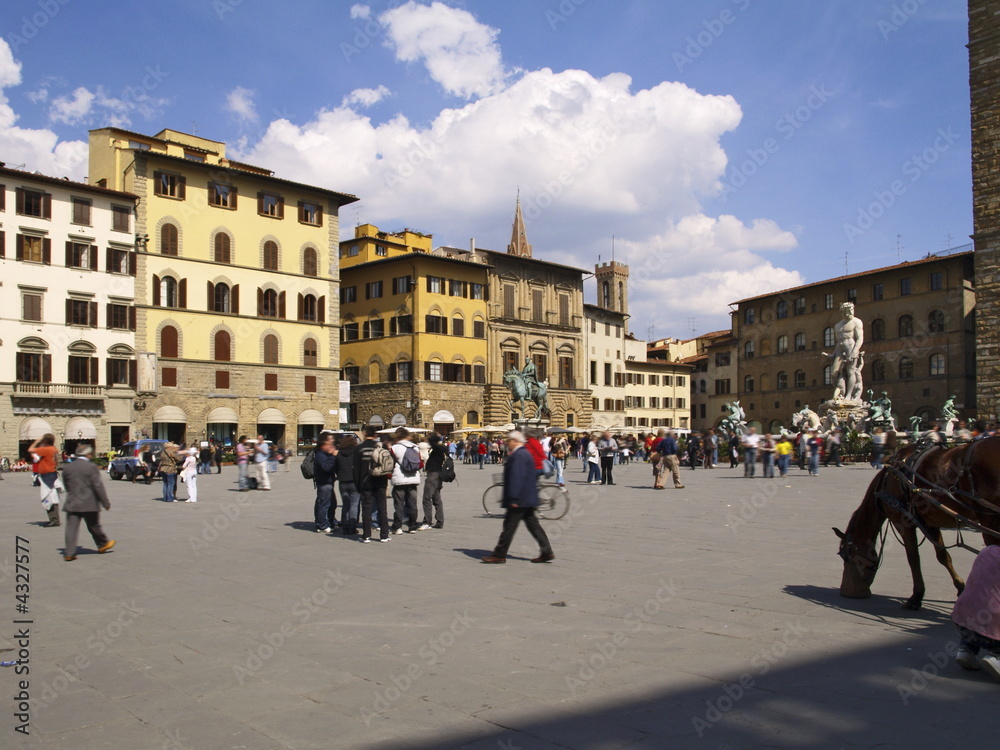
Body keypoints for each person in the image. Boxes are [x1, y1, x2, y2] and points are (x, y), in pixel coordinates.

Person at [481, 431, 555, 564]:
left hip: (520, 499)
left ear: (515, 441)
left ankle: (499, 554)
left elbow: (517, 477)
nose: (506, 443)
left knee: (509, 527)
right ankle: (547, 551)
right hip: (527, 497)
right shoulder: (524, 453)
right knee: (534, 526)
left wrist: (514, 498)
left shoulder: (519, 455)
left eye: (508, 440)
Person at [953, 543, 1000, 681]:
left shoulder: (988, 550)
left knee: (978, 606)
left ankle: (966, 650)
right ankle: (996, 655)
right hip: (992, 631)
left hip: (963, 623)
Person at [61, 445, 114, 561]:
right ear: (88, 455)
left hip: (73, 501)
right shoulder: (91, 467)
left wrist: (72, 494)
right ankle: (102, 544)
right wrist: (105, 502)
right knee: (94, 526)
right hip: (89, 502)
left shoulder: (68, 467)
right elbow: (97, 486)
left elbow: (66, 484)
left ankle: (69, 552)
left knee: (71, 528)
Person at [356, 426, 390, 543]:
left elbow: (356, 469)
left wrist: (357, 484)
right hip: (380, 480)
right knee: (382, 507)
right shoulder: (382, 447)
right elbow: (390, 463)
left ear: (364, 434)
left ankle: (366, 535)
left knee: (366, 508)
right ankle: (384, 535)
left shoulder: (359, 448)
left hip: (365, 482)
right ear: (375, 435)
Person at [390, 428, 421, 534]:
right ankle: (412, 526)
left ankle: (397, 527)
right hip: (413, 478)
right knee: (412, 504)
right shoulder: (415, 447)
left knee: (399, 504)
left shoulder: (394, 448)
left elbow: (390, 463)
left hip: (399, 478)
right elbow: (420, 464)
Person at [28, 433, 61, 526]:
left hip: (47, 476)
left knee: (47, 497)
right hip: (52, 474)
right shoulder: (53, 449)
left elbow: (30, 450)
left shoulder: (47, 449)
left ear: (45, 441)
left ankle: (54, 520)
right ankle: (54, 519)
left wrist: (37, 441)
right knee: (52, 497)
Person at [421, 434, 447, 530]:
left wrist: (433, 437)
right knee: (437, 499)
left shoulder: (438, 449)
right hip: (438, 475)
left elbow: (433, 442)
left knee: (427, 498)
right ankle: (440, 521)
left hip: (433, 475)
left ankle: (427, 521)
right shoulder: (441, 449)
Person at [313, 433, 338, 533]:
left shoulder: (324, 453)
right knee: (324, 504)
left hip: (328, 482)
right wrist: (333, 456)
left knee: (332, 503)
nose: (332, 441)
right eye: (330, 440)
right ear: (324, 442)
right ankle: (321, 525)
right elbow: (326, 467)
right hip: (324, 483)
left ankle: (329, 522)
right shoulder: (320, 454)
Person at [336, 435, 360, 534]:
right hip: (354, 481)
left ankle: (345, 527)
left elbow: (336, 467)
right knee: (354, 504)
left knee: (346, 504)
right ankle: (352, 526)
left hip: (343, 481)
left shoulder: (339, 453)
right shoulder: (356, 452)